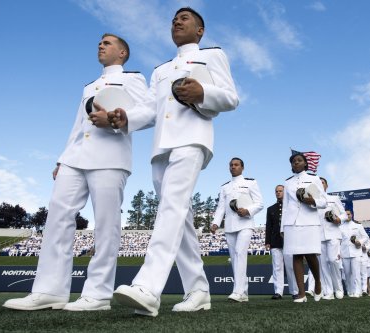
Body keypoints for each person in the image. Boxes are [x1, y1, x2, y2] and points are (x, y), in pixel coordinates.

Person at [3, 34, 147, 311]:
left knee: (106, 226)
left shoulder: (132, 79)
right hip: (75, 157)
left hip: (110, 157)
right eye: (99, 42)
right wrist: (62, 158)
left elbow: (149, 111)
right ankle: (50, 291)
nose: (101, 45)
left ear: (122, 53)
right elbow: (77, 125)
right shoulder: (89, 86)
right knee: (57, 218)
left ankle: (98, 295)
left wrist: (120, 119)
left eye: (107, 42)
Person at [111, 7, 238, 317]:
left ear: (200, 31)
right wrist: (125, 117)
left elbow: (230, 97)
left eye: (185, 18)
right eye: (174, 19)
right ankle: (198, 289)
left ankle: (148, 287)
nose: (177, 21)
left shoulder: (212, 56)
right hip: (161, 147)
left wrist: (203, 91)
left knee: (171, 208)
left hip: (192, 139)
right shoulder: (161, 70)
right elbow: (150, 109)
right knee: (178, 217)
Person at [210, 158, 264, 302]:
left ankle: (238, 291)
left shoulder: (250, 183)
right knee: (234, 258)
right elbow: (221, 207)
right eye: (231, 165)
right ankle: (244, 291)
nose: (233, 167)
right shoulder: (225, 187)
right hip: (230, 225)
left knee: (240, 253)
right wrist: (215, 223)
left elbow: (260, 203)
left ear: (242, 167)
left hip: (245, 223)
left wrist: (248, 210)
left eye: (236, 165)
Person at [280, 152, 327, 303]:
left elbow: (323, 201)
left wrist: (312, 201)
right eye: (293, 161)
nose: (296, 163)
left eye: (299, 160)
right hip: (291, 222)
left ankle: (318, 283)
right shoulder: (287, 182)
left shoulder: (314, 179)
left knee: (311, 254)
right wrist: (283, 227)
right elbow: (286, 206)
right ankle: (301, 293)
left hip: (310, 220)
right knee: (296, 255)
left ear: (306, 163)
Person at [265, 185, 298, 300]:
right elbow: (268, 226)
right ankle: (278, 291)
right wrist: (267, 241)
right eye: (276, 191)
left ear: (285, 192)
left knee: (290, 266)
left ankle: (295, 291)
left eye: (280, 191)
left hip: (289, 240)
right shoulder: (271, 209)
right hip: (275, 241)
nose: (278, 193)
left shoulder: (291, 207)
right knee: (277, 267)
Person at [318, 177, 347, 300]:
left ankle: (339, 288)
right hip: (318, 234)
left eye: (323, 182)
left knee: (333, 260)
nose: (320, 184)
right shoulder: (312, 201)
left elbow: (344, 214)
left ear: (327, 185)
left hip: (333, 233)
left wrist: (339, 219)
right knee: (323, 264)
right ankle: (328, 291)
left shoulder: (333, 198)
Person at [339, 210, 369, 297]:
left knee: (356, 273)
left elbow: (365, 237)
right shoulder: (340, 227)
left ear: (351, 215)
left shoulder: (358, 226)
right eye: (345, 215)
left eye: (348, 214)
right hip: (344, 252)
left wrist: (360, 242)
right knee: (347, 274)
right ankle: (350, 290)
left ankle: (358, 291)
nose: (347, 216)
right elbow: (339, 241)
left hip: (356, 252)